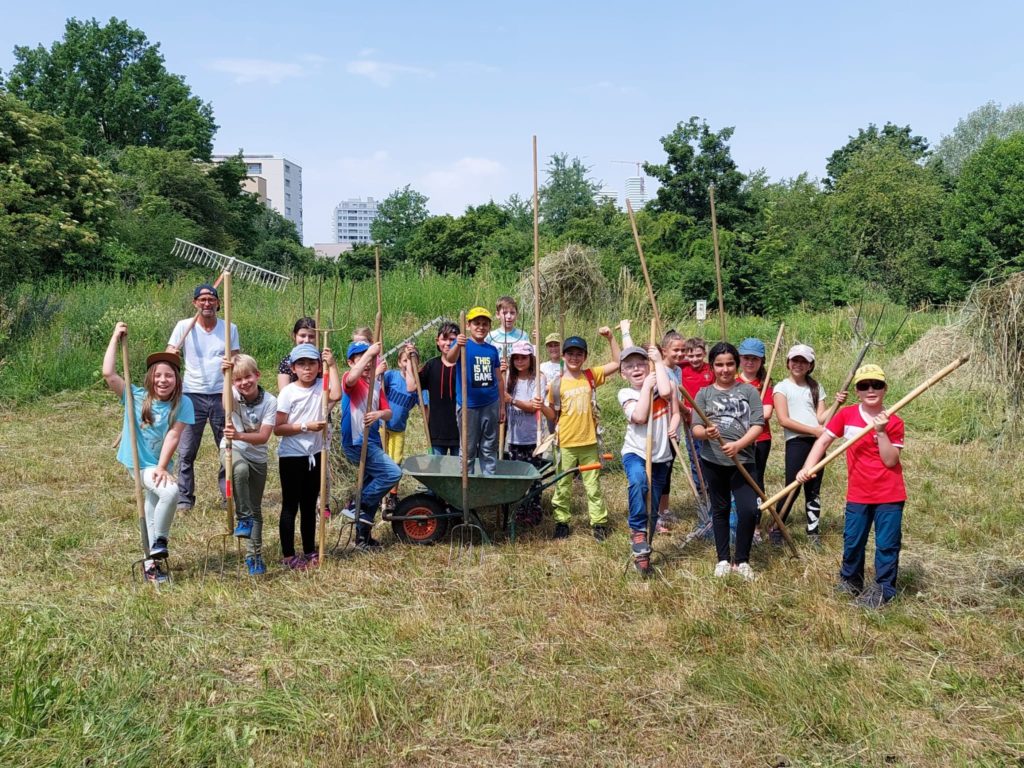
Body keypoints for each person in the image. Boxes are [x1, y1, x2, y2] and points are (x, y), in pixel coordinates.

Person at [797, 365, 905, 608]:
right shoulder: (846, 415)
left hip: (889, 494)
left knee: (887, 543)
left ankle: (883, 589)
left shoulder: (894, 420)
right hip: (858, 493)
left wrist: (881, 432)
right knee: (853, 540)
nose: (870, 390)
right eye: (864, 385)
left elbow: (890, 460)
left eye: (876, 385)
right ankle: (850, 581)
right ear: (857, 390)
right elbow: (823, 440)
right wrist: (807, 468)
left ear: (884, 389)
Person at [103, 322, 195, 584]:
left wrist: (163, 467)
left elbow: (174, 435)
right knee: (170, 492)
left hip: (159, 462)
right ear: (150, 378)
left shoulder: (183, 403)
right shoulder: (135, 396)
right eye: (158, 375)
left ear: (177, 378)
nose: (163, 380)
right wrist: (114, 337)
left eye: (169, 375)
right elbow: (109, 373)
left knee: (155, 504)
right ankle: (159, 543)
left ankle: (151, 564)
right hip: (138, 461)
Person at [691, 342, 765, 580]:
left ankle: (742, 560)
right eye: (719, 365)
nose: (725, 369)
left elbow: (758, 424)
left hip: (743, 461)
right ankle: (723, 559)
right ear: (712, 366)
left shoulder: (749, 392)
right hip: (713, 461)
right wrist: (706, 433)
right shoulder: (704, 394)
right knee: (720, 510)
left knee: (748, 510)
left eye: (730, 364)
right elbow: (695, 428)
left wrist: (738, 445)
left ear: (737, 364)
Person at [166, 283, 240, 512]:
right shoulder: (183, 327)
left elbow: (237, 361)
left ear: (218, 303)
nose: (207, 303)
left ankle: (228, 495)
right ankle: (184, 499)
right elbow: (168, 356)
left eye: (211, 299)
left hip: (221, 395)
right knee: (186, 450)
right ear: (195, 303)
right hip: (191, 394)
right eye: (202, 299)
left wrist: (232, 364)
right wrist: (173, 354)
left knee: (226, 447)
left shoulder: (229, 328)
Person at [545, 327, 620, 540]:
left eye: (579, 354)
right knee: (563, 486)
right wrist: (541, 406)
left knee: (592, 486)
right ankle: (562, 522)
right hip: (566, 442)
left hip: (589, 442)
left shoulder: (591, 376)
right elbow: (552, 414)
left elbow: (617, 363)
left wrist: (610, 338)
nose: (574, 358)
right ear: (563, 356)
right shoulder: (556, 384)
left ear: (585, 357)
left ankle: (599, 523)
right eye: (570, 353)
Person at [274, 343, 341, 570]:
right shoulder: (288, 393)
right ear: (293, 368)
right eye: (301, 364)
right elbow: (278, 428)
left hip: (315, 454)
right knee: (290, 505)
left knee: (310, 504)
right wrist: (306, 426)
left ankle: (310, 550)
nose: (307, 369)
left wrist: (331, 364)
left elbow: (337, 394)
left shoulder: (321, 388)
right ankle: (288, 554)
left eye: (312, 364)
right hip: (292, 456)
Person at [772, 344, 845, 545]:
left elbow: (822, 418)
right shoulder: (781, 387)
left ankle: (813, 531)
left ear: (810, 365)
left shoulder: (815, 387)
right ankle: (777, 528)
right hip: (796, 442)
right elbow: (784, 420)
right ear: (788, 362)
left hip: (817, 443)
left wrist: (836, 404)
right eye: (795, 360)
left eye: (803, 361)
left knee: (813, 488)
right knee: (793, 485)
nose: (798, 364)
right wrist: (813, 430)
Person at [618, 344, 678, 576]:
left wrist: (660, 363)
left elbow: (667, 397)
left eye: (641, 363)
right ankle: (637, 531)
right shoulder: (627, 393)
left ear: (650, 365)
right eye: (630, 366)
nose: (636, 368)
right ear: (623, 374)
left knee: (652, 509)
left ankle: (643, 556)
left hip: (661, 456)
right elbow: (641, 416)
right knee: (639, 481)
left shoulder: (665, 384)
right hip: (635, 452)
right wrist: (646, 388)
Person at [339, 341, 403, 550]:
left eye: (371, 359)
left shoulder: (376, 385)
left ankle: (362, 538)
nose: (367, 363)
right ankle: (356, 504)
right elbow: (352, 377)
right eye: (361, 358)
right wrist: (371, 353)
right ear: (351, 362)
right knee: (392, 473)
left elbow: (388, 412)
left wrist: (378, 414)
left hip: (372, 441)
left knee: (372, 486)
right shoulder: (351, 382)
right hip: (357, 442)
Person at [221, 354, 277, 576]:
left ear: (257, 375)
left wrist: (240, 435)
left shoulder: (270, 401)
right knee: (240, 470)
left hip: (258, 457)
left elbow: (263, 437)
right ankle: (242, 517)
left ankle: (254, 556)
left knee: (257, 510)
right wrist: (223, 376)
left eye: (247, 377)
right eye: (237, 379)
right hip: (231, 450)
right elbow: (225, 403)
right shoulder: (232, 393)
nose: (243, 383)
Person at [445, 307, 505, 474]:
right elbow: (450, 360)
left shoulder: (492, 350)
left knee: (489, 446)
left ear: (489, 327)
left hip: (491, 404)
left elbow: (499, 379)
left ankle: (489, 481)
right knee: (468, 447)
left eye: (485, 324)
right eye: (476, 323)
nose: (481, 327)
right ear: (468, 325)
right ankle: (467, 484)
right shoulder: (462, 344)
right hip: (468, 405)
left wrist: (501, 406)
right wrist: (458, 345)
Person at [502, 341, 555, 526]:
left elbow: (534, 407)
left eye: (523, 357)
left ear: (530, 358)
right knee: (517, 477)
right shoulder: (508, 376)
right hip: (513, 438)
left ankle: (533, 510)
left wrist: (513, 400)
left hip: (533, 438)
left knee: (533, 477)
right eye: (515, 357)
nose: (519, 361)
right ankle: (519, 509)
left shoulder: (538, 378)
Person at [405, 322, 461, 456]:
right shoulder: (431, 365)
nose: (448, 343)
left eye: (452, 339)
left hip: (461, 431)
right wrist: (408, 361)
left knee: (459, 473)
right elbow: (411, 386)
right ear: (437, 341)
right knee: (437, 470)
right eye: (444, 339)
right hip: (436, 432)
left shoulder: (463, 365)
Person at [380, 346, 420, 510]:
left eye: (412, 361)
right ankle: (378, 494)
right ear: (399, 362)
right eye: (405, 360)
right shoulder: (391, 376)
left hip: (398, 430)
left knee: (395, 463)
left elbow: (424, 406)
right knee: (380, 460)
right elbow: (379, 392)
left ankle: (393, 496)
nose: (408, 364)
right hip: (382, 427)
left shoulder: (416, 385)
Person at [277, 317, 318, 391]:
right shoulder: (286, 361)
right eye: (302, 336)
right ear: (294, 336)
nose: (306, 340)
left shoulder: (322, 359)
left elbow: (333, 393)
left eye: (311, 336)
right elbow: (283, 392)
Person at [485, 295, 529, 360]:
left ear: (517, 315)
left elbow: (528, 357)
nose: (509, 316)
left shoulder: (522, 335)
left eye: (512, 313)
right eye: (505, 313)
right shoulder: (490, 336)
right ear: (497, 315)